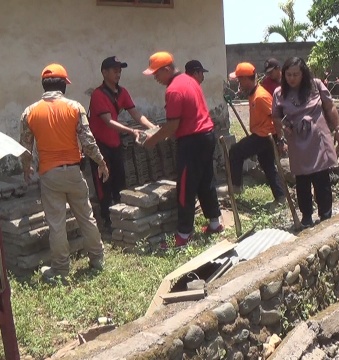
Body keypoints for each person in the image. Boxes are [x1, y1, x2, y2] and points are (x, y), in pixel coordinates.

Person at [20, 64, 108, 280]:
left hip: (50, 175)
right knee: (86, 217)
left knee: (56, 224)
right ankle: (97, 260)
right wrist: (101, 162)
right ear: (63, 85)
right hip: (74, 172)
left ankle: (60, 269)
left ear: (44, 85)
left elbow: (25, 147)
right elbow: (88, 142)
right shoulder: (75, 107)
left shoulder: (29, 112)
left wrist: (26, 167)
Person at [141, 51, 223, 248]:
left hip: (192, 141)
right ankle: (214, 223)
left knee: (186, 187)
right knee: (206, 181)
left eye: (156, 74)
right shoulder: (189, 80)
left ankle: (183, 235)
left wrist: (153, 139)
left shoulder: (174, 90)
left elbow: (172, 125)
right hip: (206, 136)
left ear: (167, 69)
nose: (155, 78)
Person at [272, 57, 339, 228]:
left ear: (303, 74)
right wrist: (281, 134)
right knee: (302, 180)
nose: (292, 78)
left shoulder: (316, 85)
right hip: (296, 140)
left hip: (318, 138)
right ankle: (306, 216)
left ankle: (326, 214)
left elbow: (330, 106)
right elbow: (276, 116)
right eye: (288, 74)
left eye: (296, 74)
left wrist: (338, 129)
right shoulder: (279, 93)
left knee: (321, 178)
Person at [88, 56, 156, 230]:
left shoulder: (122, 92)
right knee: (104, 185)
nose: (118, 73)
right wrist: (132, 131)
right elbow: (108, 121)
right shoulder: (98, 95)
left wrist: (152, 127)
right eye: (114, 70)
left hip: (115, 143)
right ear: (104, 72)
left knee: (120, 181)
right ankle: (107, 221)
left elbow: (135, 113)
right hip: (99, 146)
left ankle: (122, 219)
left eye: (120, 70)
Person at [227, 62, 285, 204]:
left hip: (265, 136)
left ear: (247, 79)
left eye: (240, 80)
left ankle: (236, 187)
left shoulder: (260, 96)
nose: (239, 83)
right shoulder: (253, 94)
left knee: (235, 152)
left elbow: (277, 116)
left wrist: (281, 140)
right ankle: (281, 197)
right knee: (268, 166)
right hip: (263, 134)